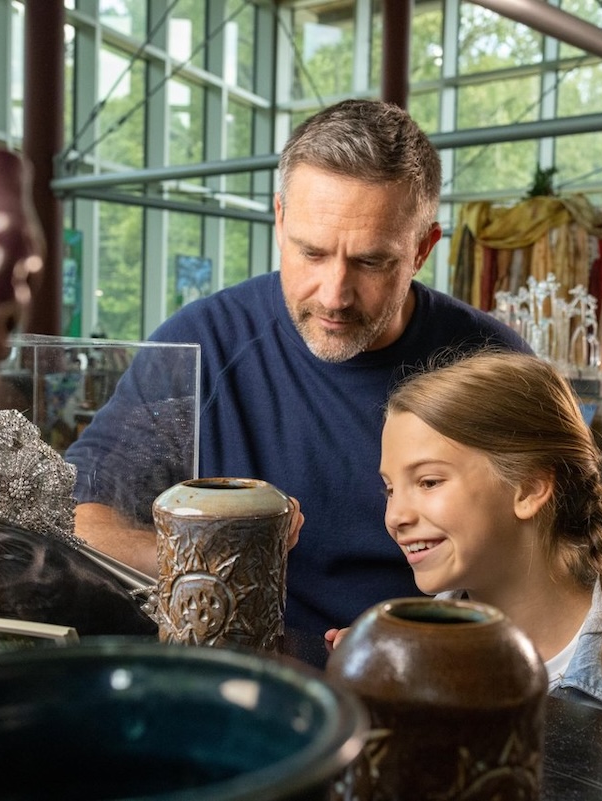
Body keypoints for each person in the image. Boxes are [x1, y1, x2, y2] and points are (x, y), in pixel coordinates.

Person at [66, 99, 529, 636]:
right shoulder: (201, 345)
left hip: (432, 674)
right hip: (246, 678)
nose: (334, 294)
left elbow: (559, 563)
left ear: (423, 248)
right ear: (280, 219)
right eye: (312, 253)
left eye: (371, 262)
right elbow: (80, 517)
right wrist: (211, 559)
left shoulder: (492, 364)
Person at [329, 350, 602, 720]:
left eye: (428, 482)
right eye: (390, 489)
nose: (395, 517)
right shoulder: (409, 651)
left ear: (529, 489)